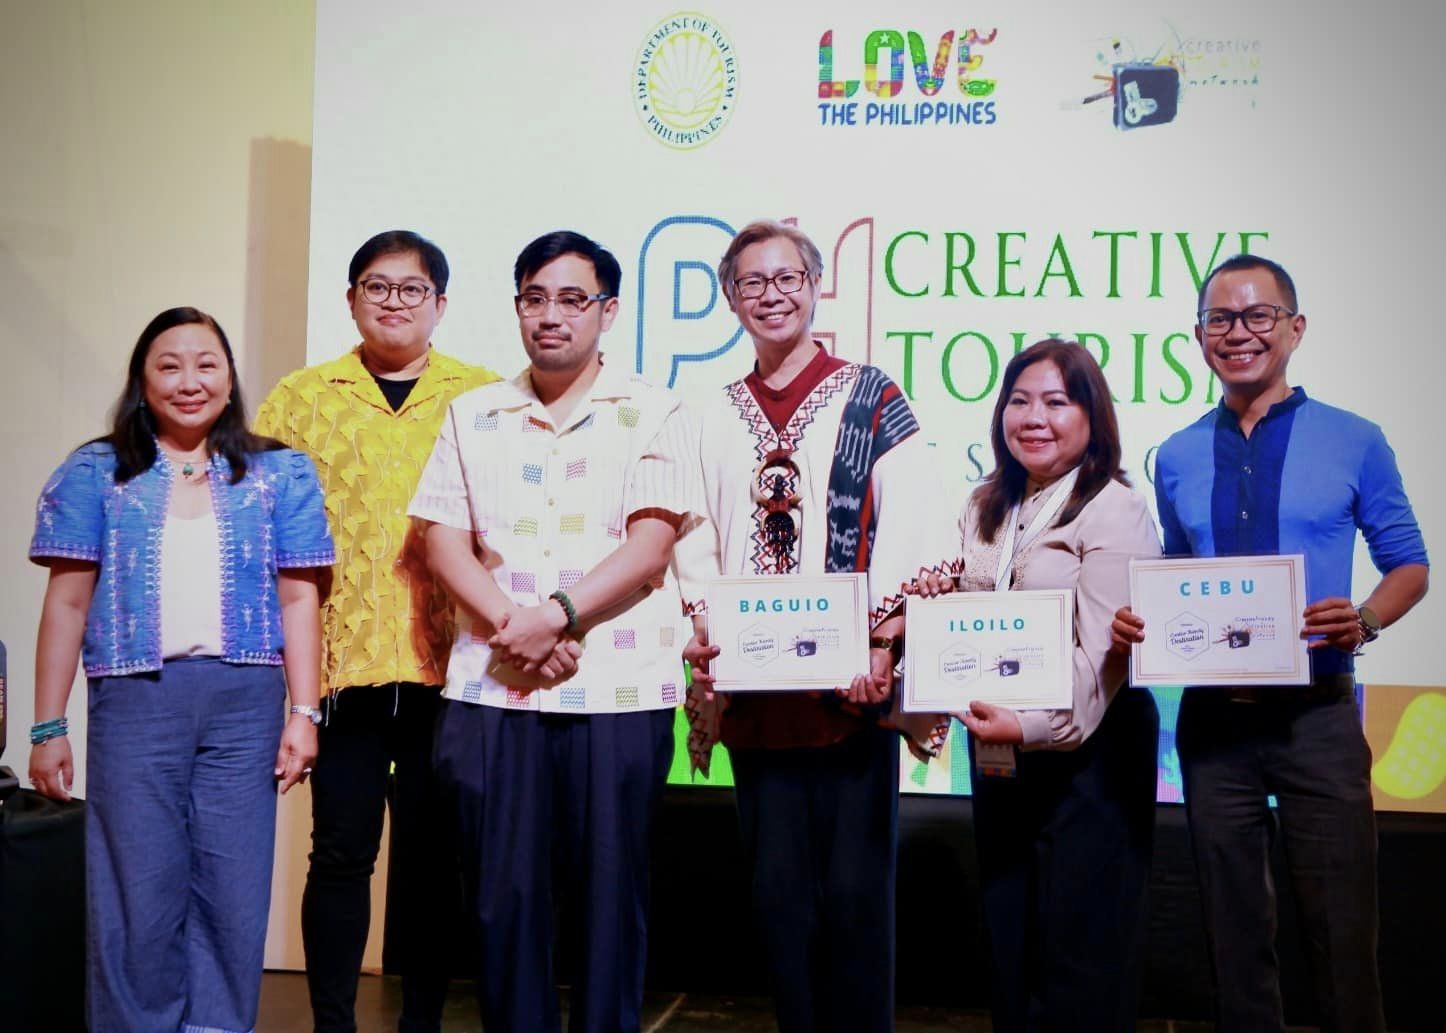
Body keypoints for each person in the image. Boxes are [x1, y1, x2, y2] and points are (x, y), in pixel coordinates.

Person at [1111, 254, 1429, 1033]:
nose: (1239, 332)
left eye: (1258, 315)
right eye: (1220, 319)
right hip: (1214, 725)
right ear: (1198, 336)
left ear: (1295, 328)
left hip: (1318, 718)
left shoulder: (1356, 439)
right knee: (1232, 934)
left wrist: (1365, 619)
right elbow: (1178, 572)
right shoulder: (1178, 453)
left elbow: (1410, 565)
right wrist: (1143, 621)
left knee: (1341, 933)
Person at [408, 230, 707, 1033]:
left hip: (617, 689)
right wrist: (516, 628)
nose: (551, 316)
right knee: (503, 899)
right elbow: (442, 541)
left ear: (607, 311)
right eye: (535, 298)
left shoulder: (653, 410)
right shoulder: (474, 413)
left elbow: (650, 545)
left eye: (572, 299)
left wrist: (557, 617)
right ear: (517, 309)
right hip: (494, 687)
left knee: (611, 898)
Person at [684, 220, 960, 1033]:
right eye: (752, 281)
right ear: (730, 297)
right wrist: (708, 634)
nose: (771, 295)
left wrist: (881, 640)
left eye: (787, 278)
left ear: (813, 287)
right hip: (756, 701)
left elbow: (914, 517)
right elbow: (695, 535)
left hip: (850, 699)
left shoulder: (871, 395)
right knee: (779, 901)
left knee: (856, 898)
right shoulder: (710, 414)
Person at [27, 306, 333, 1032]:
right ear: (142, 381)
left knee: (233, 887)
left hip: (246, 703)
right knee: (137, 888)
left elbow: (299, 599)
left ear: (229, 378)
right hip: (136, 700)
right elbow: (67, 605)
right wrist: (47, 726)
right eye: (169, 366)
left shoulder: (278, 472)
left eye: (206, 364)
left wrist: (304, 711)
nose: (189, 381)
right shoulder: (98, 472)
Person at [254, 230, 499, 1033]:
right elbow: (263, 525)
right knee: (340, 852)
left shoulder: (483, 395)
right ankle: (333, 1023)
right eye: (377, 286)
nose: (394, 301)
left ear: (440, 303)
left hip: (451, 667)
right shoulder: (300, 398)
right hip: (341, 667)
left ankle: (421, 1021)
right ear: (352, 298)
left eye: (412, 288)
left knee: (433, 860)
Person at [931, 339, 1161, 1031]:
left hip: (1092, 750)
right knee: (1012, 933)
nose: (1034, 417)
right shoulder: (985, 503)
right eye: (1020, 400)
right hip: (999, 749)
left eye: (1057, 402)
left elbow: (1102, 658)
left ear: (1093, 416)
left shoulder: (1114, 508)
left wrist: (1031, 727)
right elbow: (956, 625)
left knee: (1082, 943)